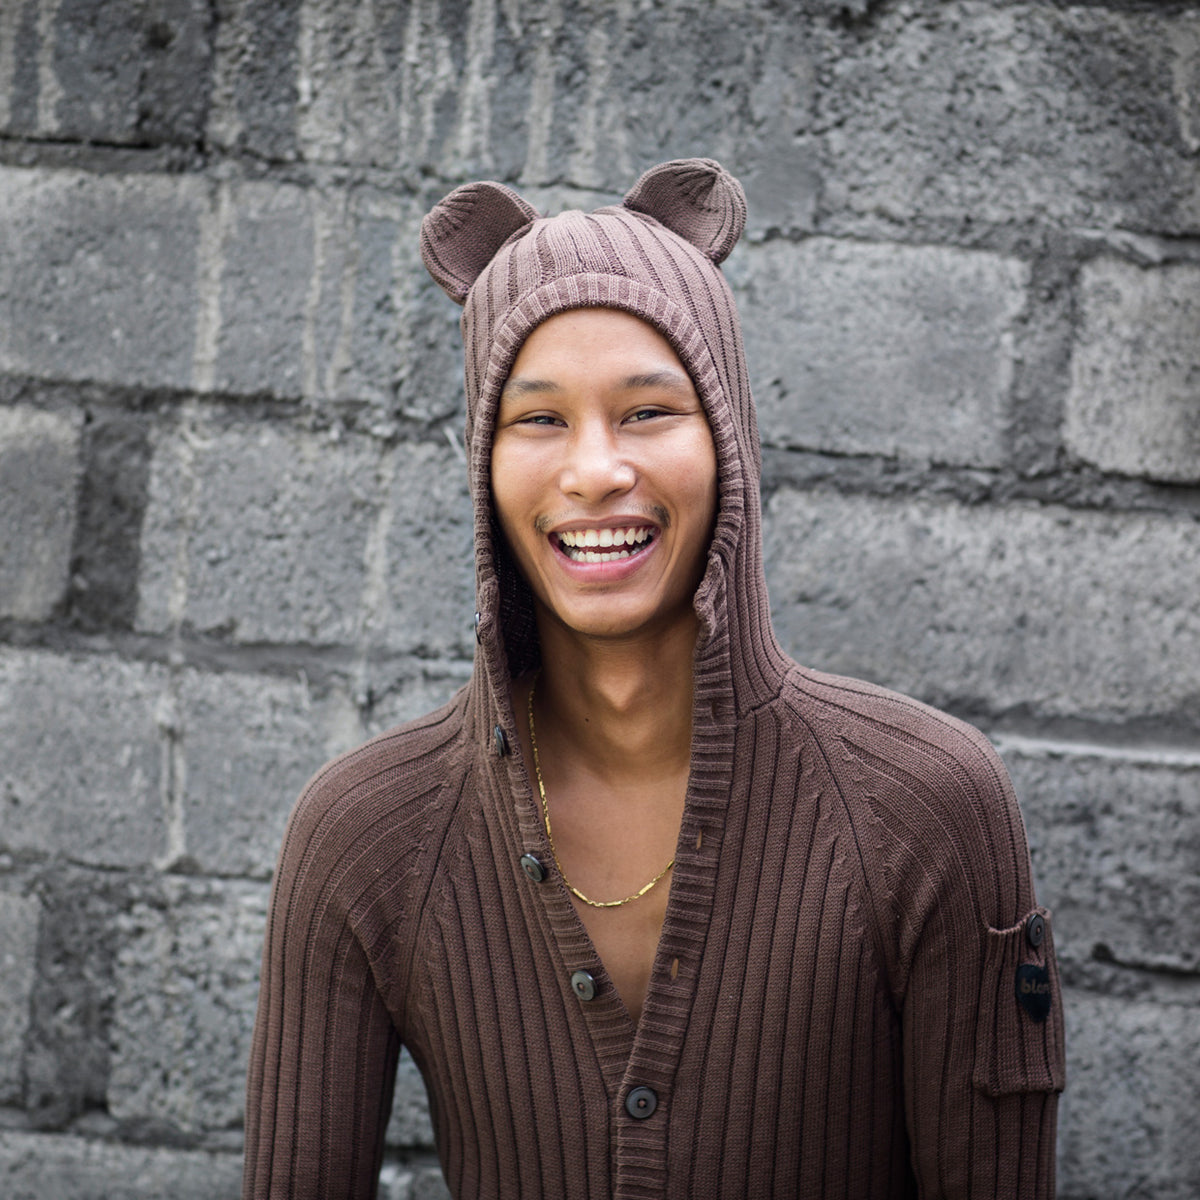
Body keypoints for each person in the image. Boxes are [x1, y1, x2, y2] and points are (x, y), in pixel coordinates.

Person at [243, 159, 1065, 1199]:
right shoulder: (364, 835)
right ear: (482, 464)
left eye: (647, 413)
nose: (594, 470)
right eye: (536, 419)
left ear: (729, 444)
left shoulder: (931, 806)